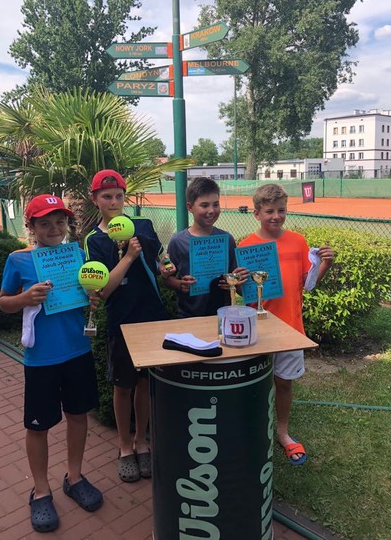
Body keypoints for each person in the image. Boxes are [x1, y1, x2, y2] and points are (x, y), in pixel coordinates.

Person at [0, 195, 103, 534]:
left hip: (77, 351)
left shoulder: (77, 255)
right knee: (38, 425)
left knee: (77, 415)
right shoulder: (18, 260)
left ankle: (74, 476)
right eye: (45, 222)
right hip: (41, 357)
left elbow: (87, 291)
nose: (54, 228)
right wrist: (23, 299)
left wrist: (93, 295)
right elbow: (4, 304)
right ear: (31, 227)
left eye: (59, 222)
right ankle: (41, 490)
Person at [84, 169, 174, 483]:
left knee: (144, 385)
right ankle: (124, 446)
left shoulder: (144, 225)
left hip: (153, 317)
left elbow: (163, 262)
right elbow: (103, 290)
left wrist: (168, 268)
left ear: (125, 197)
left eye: (118, 195)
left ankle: (141, 441)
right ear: (95, 199)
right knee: (122, 386)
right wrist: (130, 256)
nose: (113, 201)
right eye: (106, 196)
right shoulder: (94, 241)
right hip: (122, 323)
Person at [239, 184, 334, 465]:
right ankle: (252, 431)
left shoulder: (298, 241)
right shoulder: (245, 246)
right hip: (257, 330)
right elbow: (239, 291)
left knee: (284, 383)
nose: (276, 216)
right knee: (254, 383)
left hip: (291, 328)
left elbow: (309, 284)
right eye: (269, 211)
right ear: (257, 213)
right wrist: (238, 278)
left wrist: (324, 265)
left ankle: (282, 432)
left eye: (281, 210)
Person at [164, 176, 249, 317]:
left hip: (222, 314)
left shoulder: (227, 239)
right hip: (189, 316)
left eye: (215, 204)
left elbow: (235, 277)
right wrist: (180, 284)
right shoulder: (178, 241)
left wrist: (233, 282)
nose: (211, 210)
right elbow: (167, 279)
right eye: (204, 205)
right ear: (190, 207)